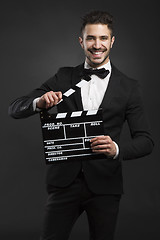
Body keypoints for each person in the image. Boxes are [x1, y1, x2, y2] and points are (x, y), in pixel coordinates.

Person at [9, 10, 154, 240]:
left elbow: (146, 141)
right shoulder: (63, 76)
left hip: (106, 186)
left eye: (103, 38)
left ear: (112, 41)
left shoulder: (129, 87)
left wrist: (116, 149)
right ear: (81, 41)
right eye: (91, 38)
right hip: (64, 183)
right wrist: (39, 102)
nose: (97, 45)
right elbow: (15, 108)